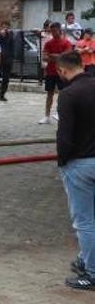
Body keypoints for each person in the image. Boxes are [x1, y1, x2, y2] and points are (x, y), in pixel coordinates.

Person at [55, 51, 95, 290]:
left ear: (62, 71)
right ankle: (85, 258)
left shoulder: (69, 94)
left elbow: (65, 135)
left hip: (80, 163)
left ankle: (91, 273)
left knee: (84, 221)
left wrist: (63, 161)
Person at [39, 22, 73, 124]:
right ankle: (47, 116)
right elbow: (45, 58)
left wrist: (53, 56)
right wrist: (59, 56)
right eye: (51, 31)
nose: (53, 33)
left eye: (54, 31)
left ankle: (60, 114)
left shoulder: (66, 42)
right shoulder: (48, 43)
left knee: (63, 94)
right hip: (50, 72)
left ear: (59, 30)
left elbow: (67, 57)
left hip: (62, 72)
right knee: (49, 94)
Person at [0, 21, 15, 102]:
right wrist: (1, 36)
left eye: (7, 27)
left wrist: (11, 58)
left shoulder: (11, 36)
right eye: (4, 26)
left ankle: (2, 95)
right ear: (1, 27)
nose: (5, 28)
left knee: (6, 79)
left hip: (8, 60)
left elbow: (12, 47)